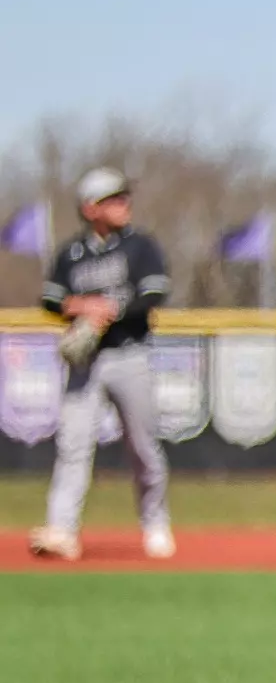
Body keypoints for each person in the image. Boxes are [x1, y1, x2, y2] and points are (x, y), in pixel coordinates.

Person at [28, 168, 175, 562]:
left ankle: (155, 521)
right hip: (86, 361)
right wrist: (77, 306)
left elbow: (155, 292)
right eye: (114, 199)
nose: (124, 204)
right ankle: (62, 530)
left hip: (130, 354)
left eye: (124, 197)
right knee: (72, 445)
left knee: (143, 447)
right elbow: (50, 298)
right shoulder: (71, 254)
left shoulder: (140, 245)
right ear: (91, 208)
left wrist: (110, 309)